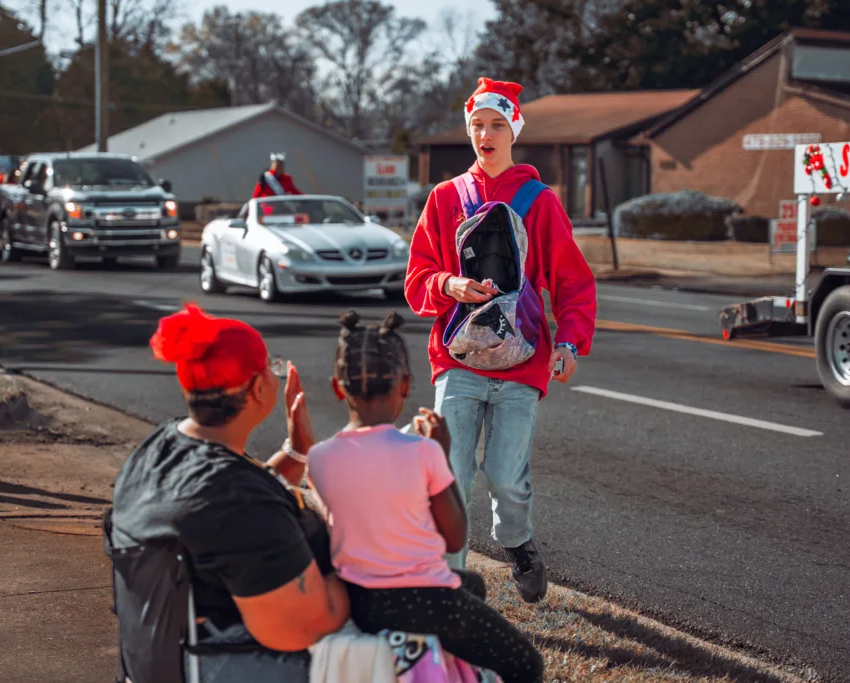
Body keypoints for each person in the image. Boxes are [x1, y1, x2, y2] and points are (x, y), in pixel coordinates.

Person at [405, 77, 597, 604]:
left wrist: (571, 343)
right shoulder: (445, 198)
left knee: (506, 477)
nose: (485, 134)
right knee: (452, 475)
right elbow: (417, 278)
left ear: (514, 128)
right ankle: (453, 587)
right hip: (458, 360)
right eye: (477, 125)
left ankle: (516, 544)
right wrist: (448, 283)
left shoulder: (539, 201)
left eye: (496, 124)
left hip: (522, 362)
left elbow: (573, 283)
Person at [108, 303, 349, 679]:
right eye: (271, 366)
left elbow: (223, 510)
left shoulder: (159, 449)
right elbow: (302, 627)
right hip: (241, 662)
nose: (275, 375)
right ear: (257, 388)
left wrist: (297, 450)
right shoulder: (239, 503)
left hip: (167, 660)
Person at [306, 310, 544, 683]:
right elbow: (454, 536)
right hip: (424, 600)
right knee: (526, 665)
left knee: (474, 587)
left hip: (363, 601)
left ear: (338, 388)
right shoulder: (423, 451)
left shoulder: (320, 458)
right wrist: (441, 452)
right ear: (405, 386)